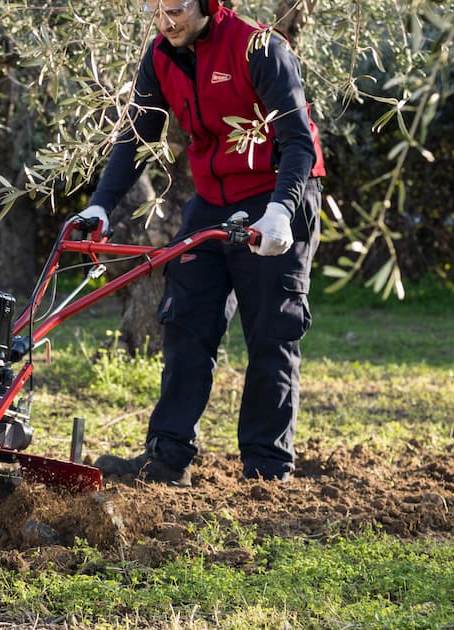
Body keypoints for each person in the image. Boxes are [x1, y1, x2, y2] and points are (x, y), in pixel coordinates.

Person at [77, 0, 325, 485]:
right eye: (157, 12)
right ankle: (166, 459)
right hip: (213, 201)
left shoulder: (260, 48)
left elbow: (298, 141)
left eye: (177, 11)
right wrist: (100, 204)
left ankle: (266, 471)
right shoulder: (161, 56)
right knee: (186, 323)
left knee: (272, 331)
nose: (168, 22)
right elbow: (135, 137)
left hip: (277, 192)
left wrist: (280, 211)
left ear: (207, 4)